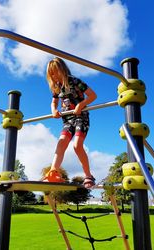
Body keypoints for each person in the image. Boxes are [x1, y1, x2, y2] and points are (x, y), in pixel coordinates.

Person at [44, 57, 97, 189]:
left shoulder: (75, 81)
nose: (54, 76)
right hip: (67, 120)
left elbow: (92, 95)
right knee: (61, 142)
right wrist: (54, 110)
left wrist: (81, 105)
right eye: (51, 74)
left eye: (55, 72)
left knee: (77, 145)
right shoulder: (57, 87)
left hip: (81, 116)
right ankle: (53, 172)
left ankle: (88, 176)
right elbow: (54, 101)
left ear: (62, 70)